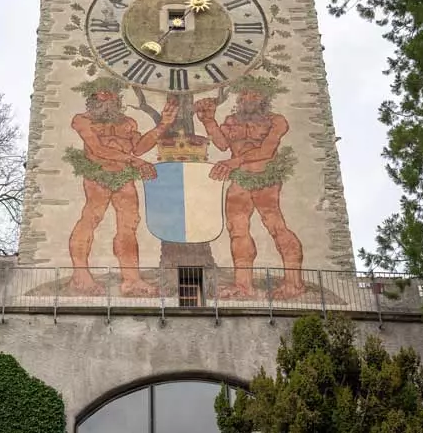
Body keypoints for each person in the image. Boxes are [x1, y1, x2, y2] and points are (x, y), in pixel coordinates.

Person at [64, 77, 178, 295]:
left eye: (111, 94)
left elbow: (138, 147)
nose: (107, 97)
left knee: (129, 226)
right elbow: (98, 150)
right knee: (91, 218)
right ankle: (80, 275)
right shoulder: (82, 120)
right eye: (102, 94)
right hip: (97, 176)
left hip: (123, 176)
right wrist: (134, 161)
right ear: (93, 98)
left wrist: (163, 125)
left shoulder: (127, 122)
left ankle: (132, 279)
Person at [193, 76, 304, 299]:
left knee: (276, 226)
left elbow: (266, 151)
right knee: (237, 231)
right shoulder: (233, 120)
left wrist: (234, 162)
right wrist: (209, 121)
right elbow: (223, 144)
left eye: (254, 94)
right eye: (244, 94)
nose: (248, 98)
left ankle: (294, 283)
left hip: (265, 178)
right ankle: (243, 285)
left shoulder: (276, 120)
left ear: (264, 98)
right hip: (240, 180)